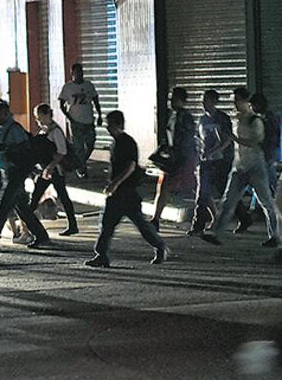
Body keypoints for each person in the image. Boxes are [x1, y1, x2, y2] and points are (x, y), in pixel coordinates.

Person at [85, 110, 167, 267]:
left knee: (141, 225)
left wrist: (115, 183)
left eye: (110, 124)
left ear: (117, 125)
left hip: (127, 192)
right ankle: (101, 255)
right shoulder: (115, 143)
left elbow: (130, 166)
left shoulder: (127, 142)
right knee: (106, 224)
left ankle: (159, 246)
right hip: (117, 192)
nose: (108, 128)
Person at [202, 88, 282, 247]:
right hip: (239, 166)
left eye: (237, 100)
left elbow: (256, 143)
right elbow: (230, 141)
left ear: (246, 101)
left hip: (255, 166)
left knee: (266, 202)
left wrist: (235, 139)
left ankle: (275, 236)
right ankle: (216, 233)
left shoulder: (255, 121)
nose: (235, 103)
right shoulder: (236, 119)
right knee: (227, 201)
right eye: (233, 100)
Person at [0, 101, 50, 251]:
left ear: (6, 114)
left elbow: (25, 150)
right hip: (5, 173)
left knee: (2, 205)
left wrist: (8, 149)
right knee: (21, 207)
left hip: (16, 173)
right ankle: (41, 236)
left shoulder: (15, 130)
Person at [150, 87, 199, 230]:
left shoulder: (185, 117)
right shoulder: (174, 116)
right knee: (164, 187)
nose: (171, 102)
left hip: (183, 159)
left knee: (195, 188)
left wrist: (179, 156)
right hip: (174, 159)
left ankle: (214, 214)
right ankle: (155, 219)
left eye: (174, 99)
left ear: (181, 100)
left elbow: (187, 139)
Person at [29, 103, 79, 236]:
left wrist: (50, 167)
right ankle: (28, 224)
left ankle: (28, 224)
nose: (37, 120)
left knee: (59, 196)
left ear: (47, 115)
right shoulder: (43, 130)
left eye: (39, 117)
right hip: (46, 169)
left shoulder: (55, 131)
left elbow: (61, 152)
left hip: (55, 169)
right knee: (38, 196)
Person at [191, 89, 236, 235]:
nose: (204, 103)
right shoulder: (203, 119)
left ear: (215, 102)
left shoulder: (223, 118)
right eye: (203, 100)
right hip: (206, 160)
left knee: (224, 189)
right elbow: (199, 137)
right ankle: (198, 226)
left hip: (221, 160)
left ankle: (243, 216)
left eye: (207, 100)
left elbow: (228, 139)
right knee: (202, 192)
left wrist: (216, 151)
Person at [58, 63, 102, 179]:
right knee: (79, 147)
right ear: (72, 73)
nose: (80, 74)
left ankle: (78, 163)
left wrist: (100, 115)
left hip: (89, 120)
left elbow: (95, 100)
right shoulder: (68, 87)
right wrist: (69, 117)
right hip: (75, 121)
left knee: (90, 144)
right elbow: (61, 104)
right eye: (77, 72)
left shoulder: (88, 85)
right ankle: (81, 169)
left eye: (81, 72)